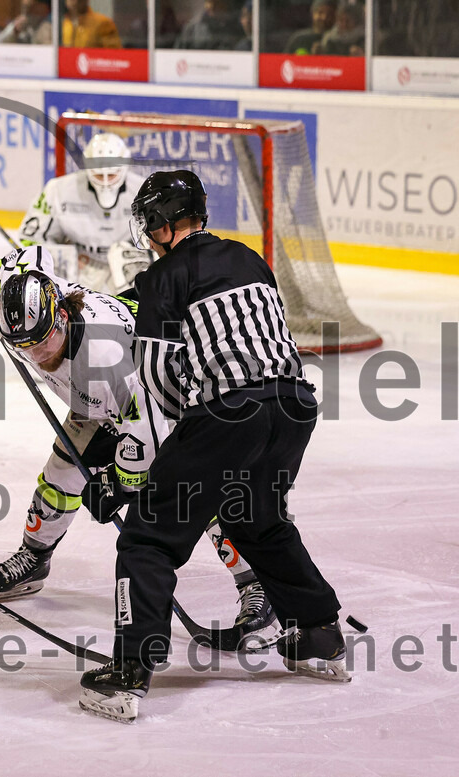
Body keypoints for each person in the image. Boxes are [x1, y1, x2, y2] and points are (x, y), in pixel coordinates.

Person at [79, 171, 349, 724]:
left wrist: (129, 476)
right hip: (295, 404)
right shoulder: (247, 257)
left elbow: (160, 383)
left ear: (158, 223)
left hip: (231, 411)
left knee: (148, 536)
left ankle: (129, 671)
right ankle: (320, 635)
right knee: (257, 519)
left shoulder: (161, 278)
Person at [0, 246, 276, 643]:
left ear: (61, 316)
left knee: (196, 491)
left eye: (42, 343)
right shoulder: (37, 299)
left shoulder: (105, 359)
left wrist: (117, 483)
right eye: (23, 347)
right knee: (61, 476)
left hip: (171, 397)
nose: (37, 357)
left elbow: (148, 434)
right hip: (100, 400)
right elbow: (25, 258)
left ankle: (257, 583)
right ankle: (35, 559)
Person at [17, 132, 154, 295]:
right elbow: (29, 238)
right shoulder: (57, 190)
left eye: (111, 175)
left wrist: (147, 257)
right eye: (98, 174)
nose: (105, 182)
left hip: (129, 266)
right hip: (79, 268)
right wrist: (55, 259)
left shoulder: (146, 192)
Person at [174, 0, 242, 50]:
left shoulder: (235, 31)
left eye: (217, 2)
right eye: (209, 1)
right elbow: (178, 55)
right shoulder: (192, 29)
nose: (211, 6)